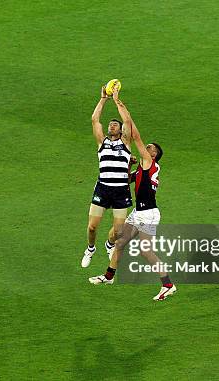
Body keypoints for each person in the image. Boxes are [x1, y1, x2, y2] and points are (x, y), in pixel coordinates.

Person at [88, 89, 176, 301]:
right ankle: (109, 276)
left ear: (155, 156)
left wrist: (118, 102)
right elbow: (125, 179)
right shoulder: (145, 169)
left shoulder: (149, 162)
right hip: (141, 212)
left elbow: (133, 133)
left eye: (151, 149)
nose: (147, 148)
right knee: (120, 243)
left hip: (148, 214)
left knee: (146, 252)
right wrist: (127, 163)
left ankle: (168, 285)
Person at [81, 85, 135, 268]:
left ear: (120, 131)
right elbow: (95, 119)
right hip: (103, 188)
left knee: (119, 231)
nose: (112, 125)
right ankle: (90, 249)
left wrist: (117, 100)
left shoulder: (126, 143)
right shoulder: (102, 143)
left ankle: (109, 244)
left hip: (120, 191)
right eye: (111, 124)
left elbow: (128, 121)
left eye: (115, 124)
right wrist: (103, 99)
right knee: (92, 226)